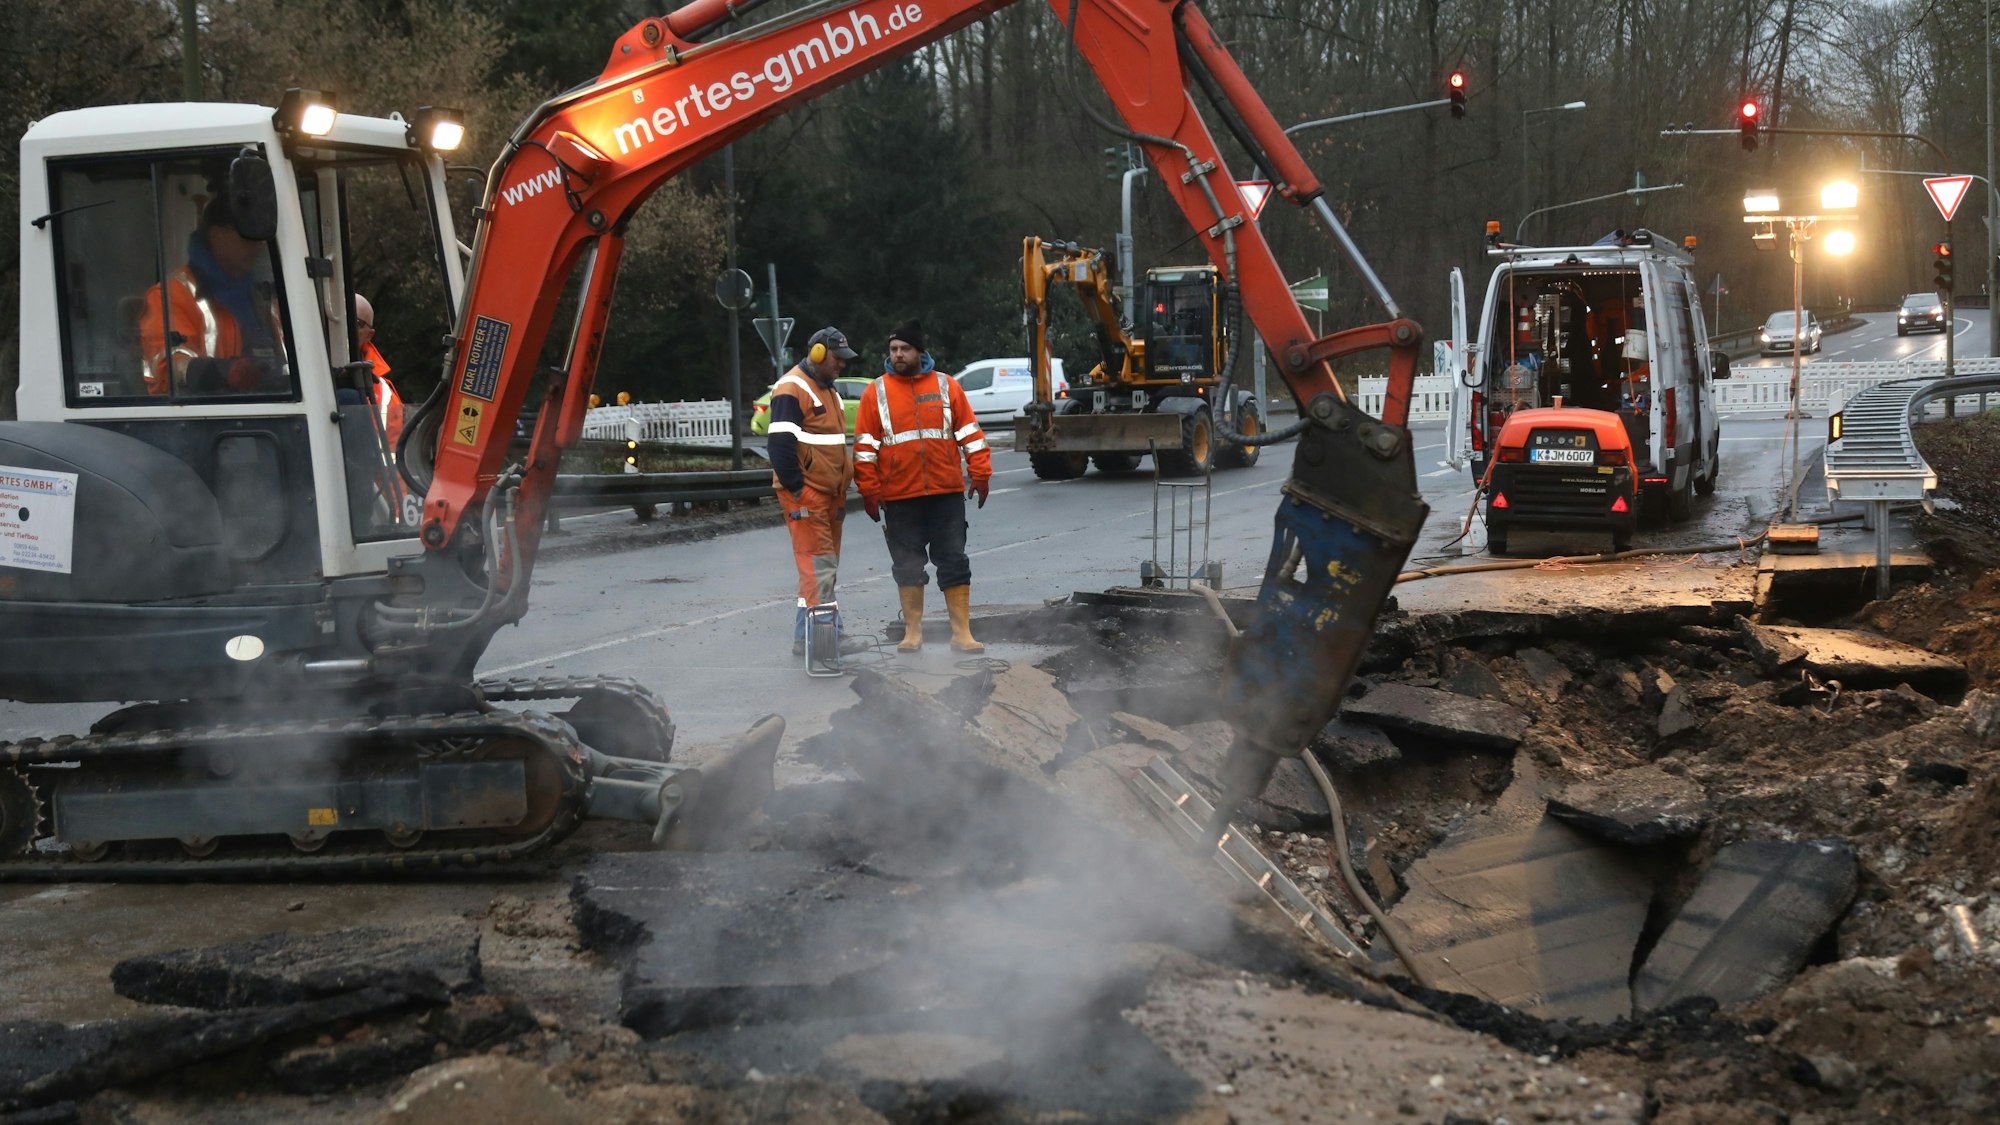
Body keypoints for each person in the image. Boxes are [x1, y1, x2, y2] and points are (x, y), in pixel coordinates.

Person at [854, 320, 993, 654]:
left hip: (945, 494)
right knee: (907, 565)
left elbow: (970, 435)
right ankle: (912, 632)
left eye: (905, 349)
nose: (898, 355)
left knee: (954, 560)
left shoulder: (946, 386)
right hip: (900, 497)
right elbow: (864, 448)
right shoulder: (876, 392)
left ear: (919, 351)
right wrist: (870, 490)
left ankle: (962, 633)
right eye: (894, 349)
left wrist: (981, 472)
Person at [769, 326, 866, 660]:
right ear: (818, 354)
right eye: (837, 359)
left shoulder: (829, 390)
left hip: (828, 494)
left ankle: (803, 637)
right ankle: (827, 641)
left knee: (820, 567)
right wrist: (798, 489)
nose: (842, 365)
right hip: (807, 495)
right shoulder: (792, 388)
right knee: (819, 566)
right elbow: (780, 446)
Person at [139, 194, 285, 396]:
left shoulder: (263, 293)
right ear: (217, 236)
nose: (257, 249)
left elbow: (288, 362)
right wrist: (222, 372)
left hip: (270, 404)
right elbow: (168, 363)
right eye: (247, 239)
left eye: (260, 241)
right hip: (203, 417)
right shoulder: (171, 295)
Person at [354, 293, 404, 452]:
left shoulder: (383, 395)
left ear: (369, 335)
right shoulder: (286, 365)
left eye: (356, 322)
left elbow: (392, 460)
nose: (344, 326)